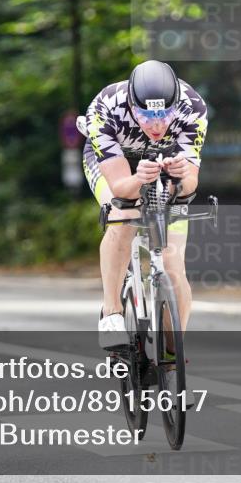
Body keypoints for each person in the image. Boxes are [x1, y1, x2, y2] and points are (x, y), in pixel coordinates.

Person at [82, 60, 208, 349]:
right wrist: (138, 179)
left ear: (176, 105)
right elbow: (120, 188)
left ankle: (172, 355)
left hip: (165, 162)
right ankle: (111, 311)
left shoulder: (193, 106)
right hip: (116, 164)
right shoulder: (105, 107)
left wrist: (181, 176)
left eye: (165, 114)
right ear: (131, 105)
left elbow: (190, 185)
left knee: (173, 265)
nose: (156, 124)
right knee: (124, 213)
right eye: (146, 115)